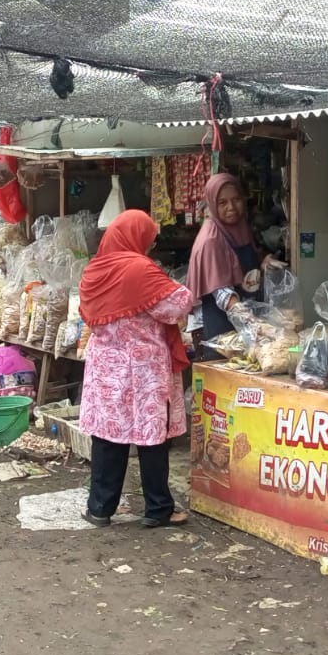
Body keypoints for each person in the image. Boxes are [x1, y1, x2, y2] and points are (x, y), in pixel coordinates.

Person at [77, 210, 197, 528]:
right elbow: (179, 304)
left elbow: (87, 313)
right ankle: (158, 509)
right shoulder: (140, 269)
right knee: (151, 439)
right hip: (143, 369)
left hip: (106, 369)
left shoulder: (93, 271)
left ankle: (100, 509)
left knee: (107, 438)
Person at [184, 172, 285, 351]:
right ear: (213, 205)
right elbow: (221, 292)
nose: (231, 207)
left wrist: (264, 260)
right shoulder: (210, 239)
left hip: (248, 322)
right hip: (225, 329)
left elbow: (246, 258)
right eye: (222, 203)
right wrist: (254, 323)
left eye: (236, 199)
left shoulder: (240, 227)